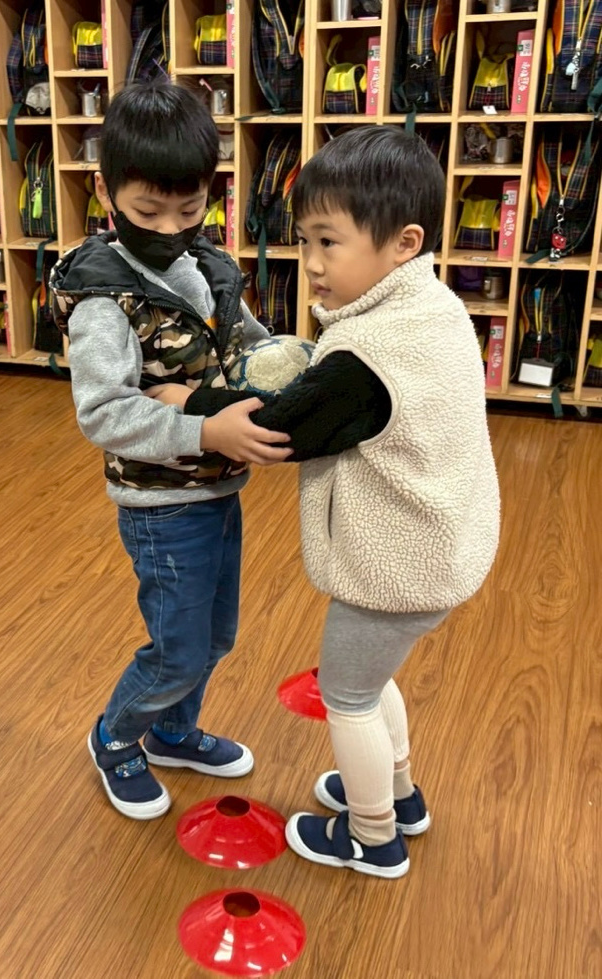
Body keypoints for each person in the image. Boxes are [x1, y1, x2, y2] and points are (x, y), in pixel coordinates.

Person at [151, 126, 501, 875]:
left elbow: (283, 428)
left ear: (403, 243)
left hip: (397, 567)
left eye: (328, 243)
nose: (310, 263)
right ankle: (398, 794)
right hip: (448, 548)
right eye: (305, 241)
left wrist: (189, 402)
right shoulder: (434, 307)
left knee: (347, 696)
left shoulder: (367, 357)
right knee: (373, 681)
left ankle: (372, 837)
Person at [49, 81, 292, 820]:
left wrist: (299, 362)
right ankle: (116, 736)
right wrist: (205, 430)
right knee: (177, 645)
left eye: (189, 210)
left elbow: (250, 345)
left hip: (219, 490)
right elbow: (103, 412)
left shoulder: (204, 264)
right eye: (149, 211)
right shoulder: (102, 299)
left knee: (214, 635)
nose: (171, 227)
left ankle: (173, 733)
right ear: (105, 192)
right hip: (160, 505)